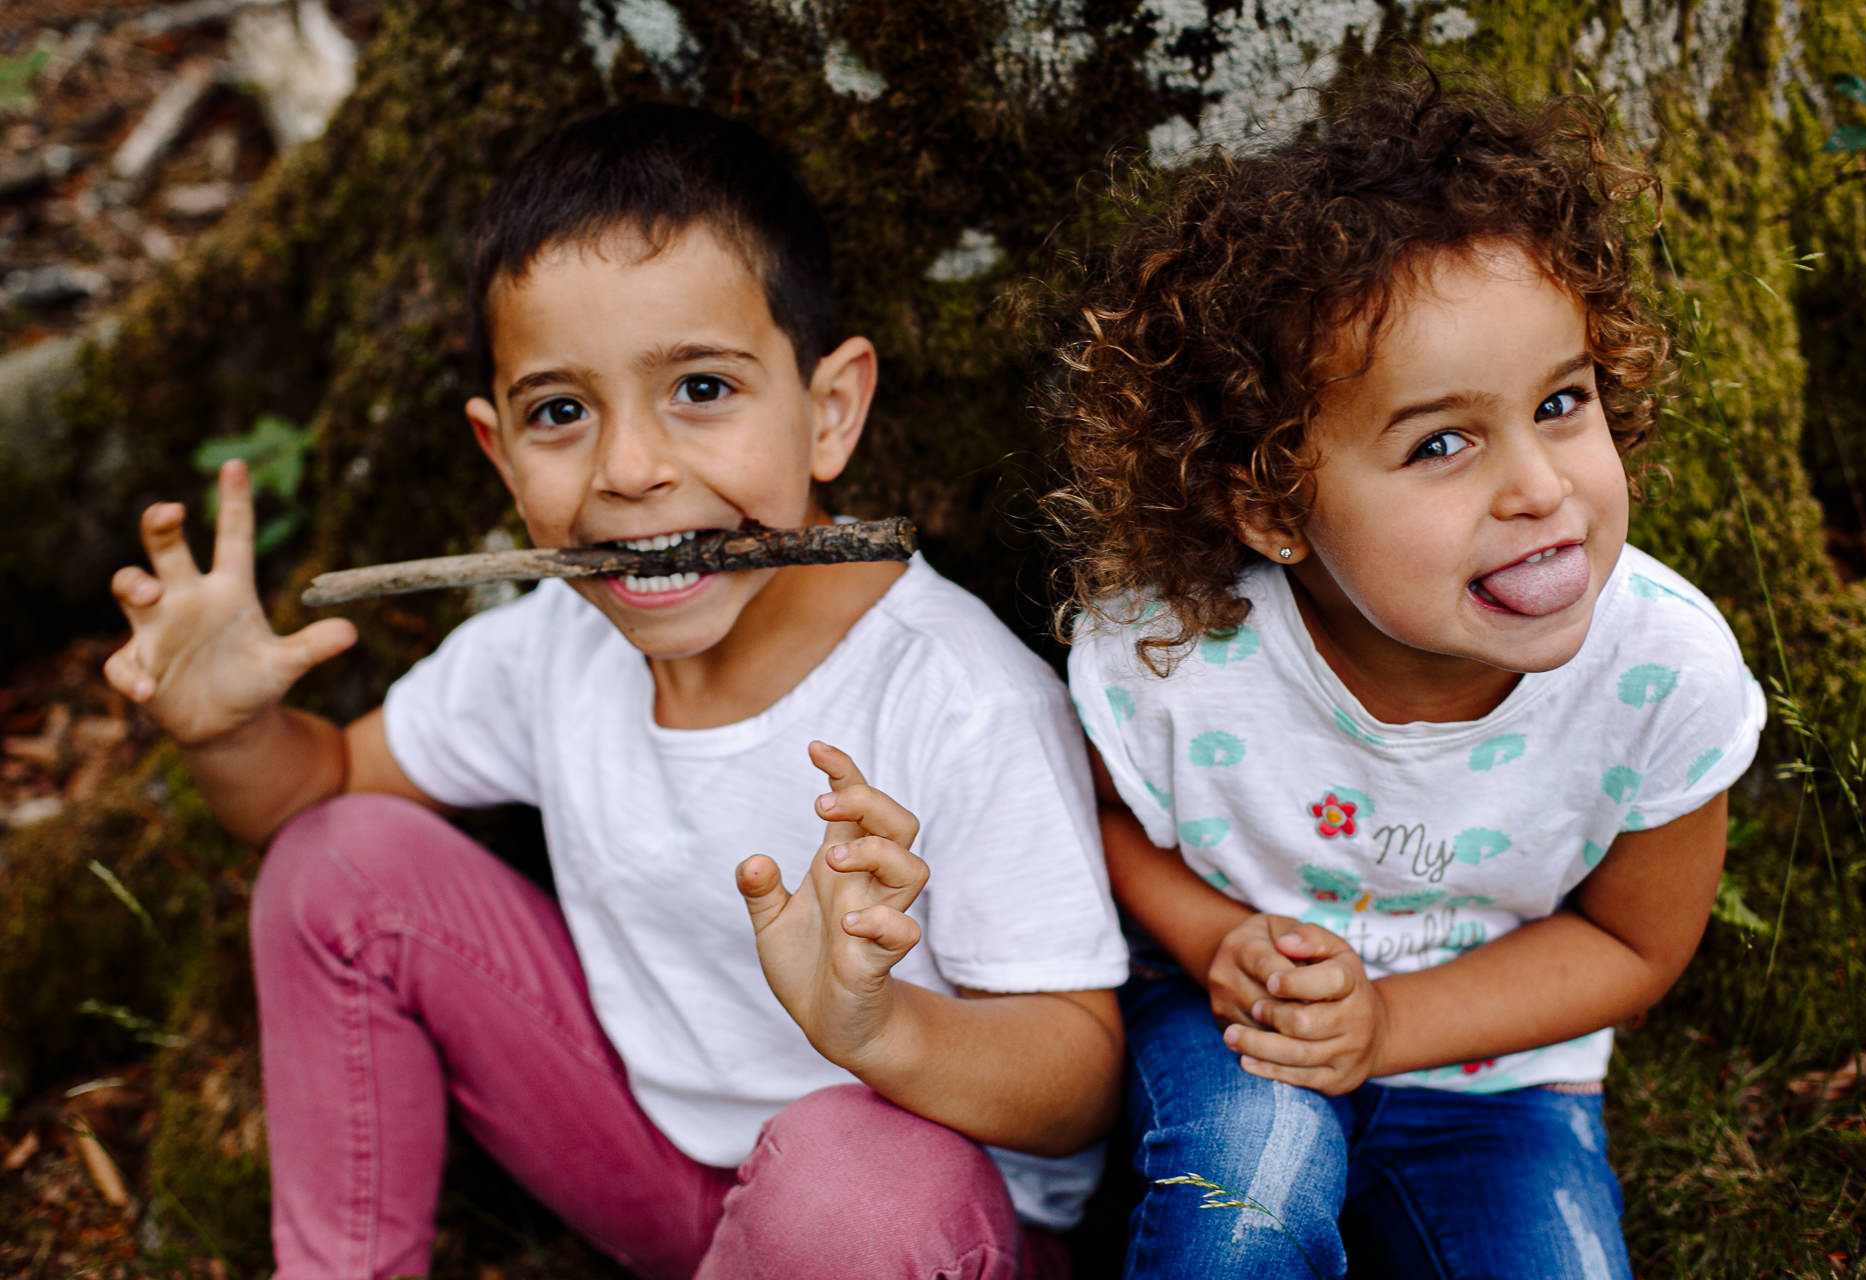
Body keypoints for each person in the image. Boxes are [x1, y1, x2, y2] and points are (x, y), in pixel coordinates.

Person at [104, 103, 1127, 1280]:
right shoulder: (554, 649)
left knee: (856, 1179)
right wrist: (232, 729)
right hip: (658, 1169)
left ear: (830, 410)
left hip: (909, 1229)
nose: (630, 469)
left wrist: (879, 1029)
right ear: (499, 453)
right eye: (560, 412)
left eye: (701, 387)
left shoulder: (952, 692)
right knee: (334, 864)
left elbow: (1080, 1079)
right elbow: (317, 789)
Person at [1051, 62, 1766, 1280]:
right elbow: (1106, 818)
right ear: (1274, 505)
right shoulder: (1176, 655)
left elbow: (1637, 946)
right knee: (1248, 1199)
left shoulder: (1662, 672)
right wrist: (1223, 937)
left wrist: (1387, 1025)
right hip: (1240, 1029)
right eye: (1442, 441)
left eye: (1562, 400)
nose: (1538, 485)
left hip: (1499, 1082)